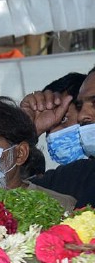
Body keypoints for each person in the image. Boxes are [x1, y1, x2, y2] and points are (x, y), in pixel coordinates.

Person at [25, 68, 95, 207]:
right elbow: (2, 196)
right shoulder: (74, 176)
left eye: (63, 119)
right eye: (80, 106)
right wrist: (26, 130)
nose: (82, 117)